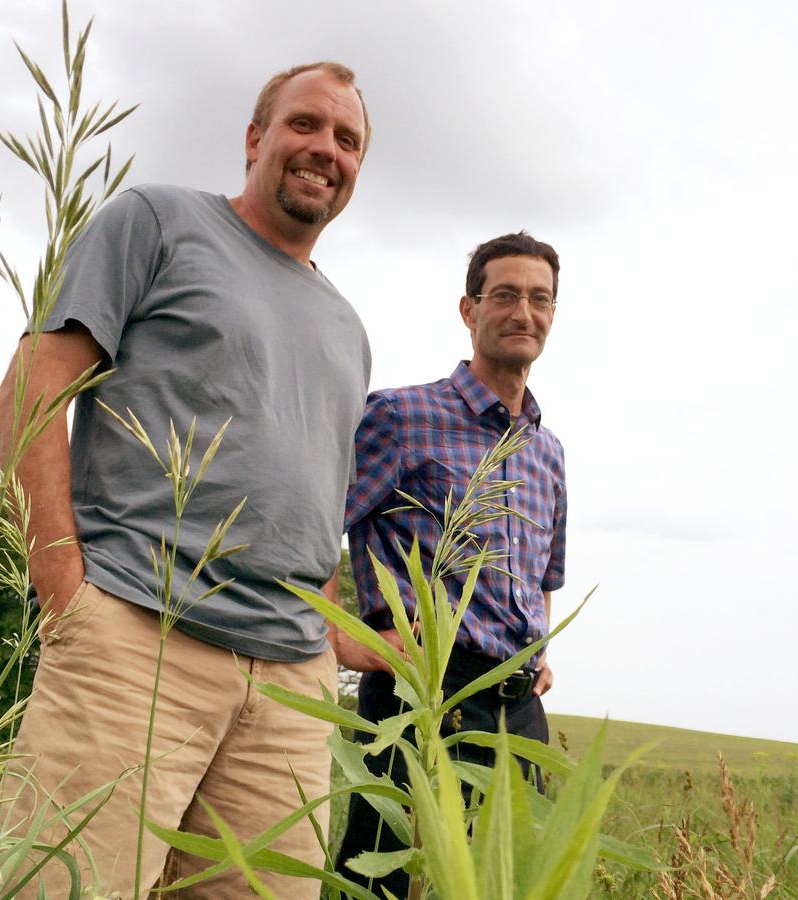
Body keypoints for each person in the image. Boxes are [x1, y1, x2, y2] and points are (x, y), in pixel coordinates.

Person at [0, 61, 371, 899]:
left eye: (347, 139)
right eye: (304, 124)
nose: (325, 149)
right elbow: (31, 386)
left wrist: (336, 637)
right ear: (254, 138)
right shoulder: (157, 222)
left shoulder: (349, 327)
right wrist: (64, 588)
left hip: (289, 688)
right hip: (137, 637)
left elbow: (312, 498)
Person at [336, 232, 567, 896]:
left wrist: (540, 648)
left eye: (540, 299)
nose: (524, 312)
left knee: (506, 882)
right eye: (505, 295)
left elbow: (545, 570)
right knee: (383, 877)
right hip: (423, 689)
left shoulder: (548, 451)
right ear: (469, 310)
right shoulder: (402, 416)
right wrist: (334, 637)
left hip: (518, 706)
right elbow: (316, 515)